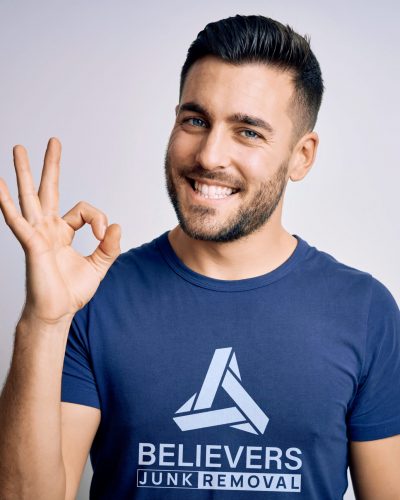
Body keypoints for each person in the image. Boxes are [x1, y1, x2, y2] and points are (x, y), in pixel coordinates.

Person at [0, 13, 399, 500]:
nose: (209, 155)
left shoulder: (364, 311)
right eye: (196, 120)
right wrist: (43, 322)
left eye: (248, 131)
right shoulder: (95, 298)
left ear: (302, 156)